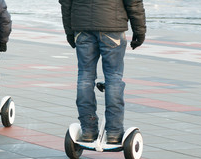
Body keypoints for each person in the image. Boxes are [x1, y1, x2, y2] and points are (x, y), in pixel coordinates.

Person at [59, 0, 146, 144]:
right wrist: (140, 31)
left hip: (82, 28)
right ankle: (114, 131)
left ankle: (88, 129)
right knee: (113, 78)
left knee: (85, 76)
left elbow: (66, 3)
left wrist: (69, 31)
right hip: (112, 26)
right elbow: (134, 3)